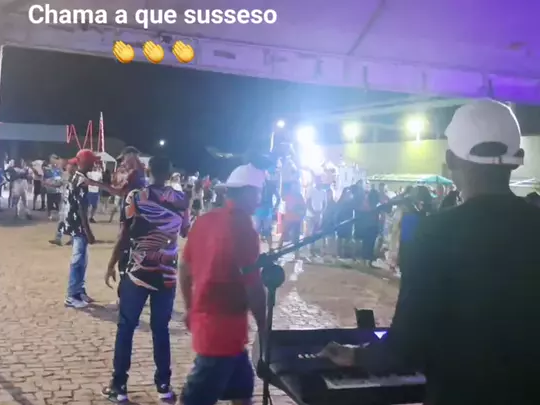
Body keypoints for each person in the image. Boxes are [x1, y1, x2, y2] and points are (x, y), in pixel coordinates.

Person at [320, 100, 540, 405]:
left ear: (451, 160)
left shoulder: (434, 233)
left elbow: (406, 349)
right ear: (517, 160)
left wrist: (356, 356)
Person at [102, 156, 190, 402]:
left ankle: (119, 387)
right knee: (161, 329)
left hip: (138, 272)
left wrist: (111, 264)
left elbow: (124, 235)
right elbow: (185, 230)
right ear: (169, 172)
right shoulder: (181, 199)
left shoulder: (136, 197)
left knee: (126, 327)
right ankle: (163, 386)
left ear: (149, 170)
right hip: (167, 273)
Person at [179, 163, 268, 405]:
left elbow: (184, 269)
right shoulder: (244, 228)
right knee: (194, 399)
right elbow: (253, 285)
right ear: (247, 193)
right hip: (223, 333)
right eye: (258, 193)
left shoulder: (204, 221)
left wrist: (189, 307)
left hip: (216, 329)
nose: (259, 199)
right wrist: (264, 326)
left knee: (242, 390)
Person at [62, 150, 99, 308]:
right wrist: (88, 231)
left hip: (74, 223)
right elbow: (81, 209)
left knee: (82, 259)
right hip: (78, 225)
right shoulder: (81, 180)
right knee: (78, 260)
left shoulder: (77, 177)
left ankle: (79, 290)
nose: (93, 164)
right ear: (85, 162)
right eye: (92, 161)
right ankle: (72, 295)